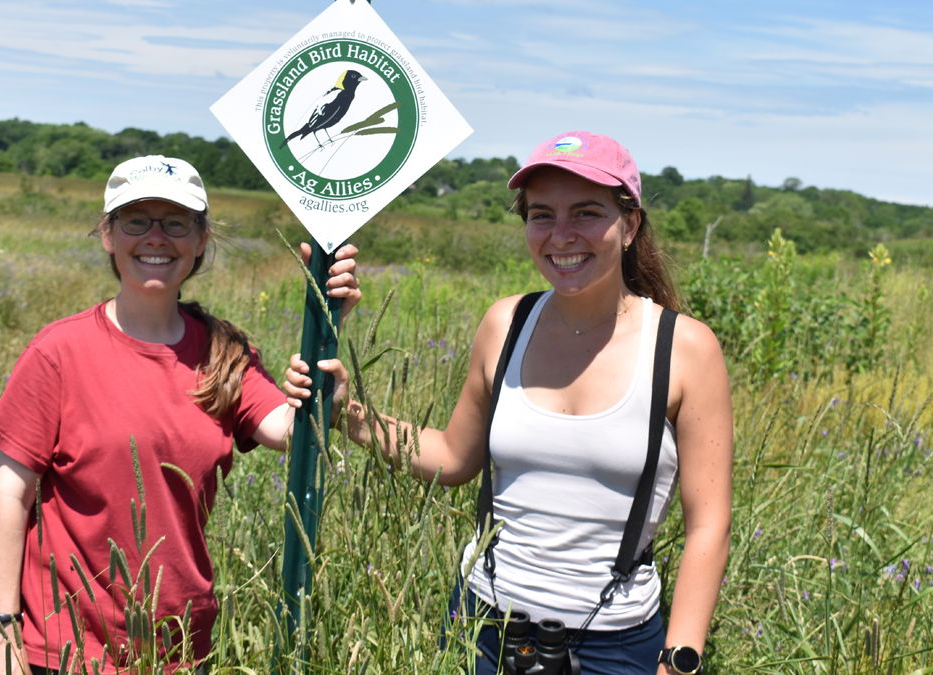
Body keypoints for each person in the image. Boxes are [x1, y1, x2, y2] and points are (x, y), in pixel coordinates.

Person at [286, 132, 732, 675]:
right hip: (484, 629)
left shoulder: (683, 349)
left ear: (631, 224)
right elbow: (453, 457)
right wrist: (347, 415)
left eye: (586, 213)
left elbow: (708, 524)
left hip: (615, 647)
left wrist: (680, 660)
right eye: (541, 215)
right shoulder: (506, 324)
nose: (560, 235)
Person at [0, 155, 360, 674]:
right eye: (136, 221)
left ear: (200, 239)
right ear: (109, 235)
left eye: (176, 223)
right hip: (65, 648)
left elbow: (291, 432)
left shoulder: (224, 352)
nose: (155, 238)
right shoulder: (59, 352)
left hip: (179, 648)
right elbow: (10, 498)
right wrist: (2, 637)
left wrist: (326, 330)